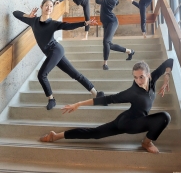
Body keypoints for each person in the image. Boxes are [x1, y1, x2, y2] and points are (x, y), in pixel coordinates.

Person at [40, 58, 173, 154]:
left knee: (95, 133)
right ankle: (146, 143)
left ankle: (56, 136)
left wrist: (166, 76)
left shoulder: (153, 78)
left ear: (149, 75)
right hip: (128, 123)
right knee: (164, 117)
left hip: (131, 120)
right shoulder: (132, 92)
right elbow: (106, 100)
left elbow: (169, 61)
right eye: (135, 77)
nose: (138, 81)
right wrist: (79, 104)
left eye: (141, 77)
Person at [13, 0, 104, 111]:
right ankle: (96, 93)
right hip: (52, 53)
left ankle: (52, 99)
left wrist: (85, 23)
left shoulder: (53, 23)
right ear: (41, 7)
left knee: (42, 74)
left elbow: (68, 26)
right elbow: (15, 13)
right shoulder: (33, 21)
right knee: (75, 74)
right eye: (46, 5)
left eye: (51, 6)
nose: (49, 8)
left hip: (56, 50)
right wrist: (28, 15)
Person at [94, 0, 135, 70]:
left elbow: (98, 1)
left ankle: (105, 63)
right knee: (108, 44)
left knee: (106, 42)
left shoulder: (114, 0)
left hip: (112, 22)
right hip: (105, 23)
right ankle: (129, 51)